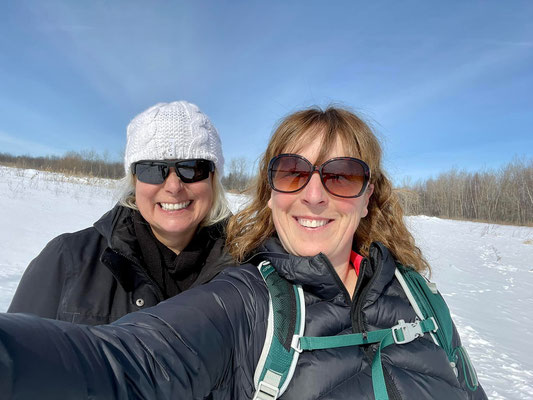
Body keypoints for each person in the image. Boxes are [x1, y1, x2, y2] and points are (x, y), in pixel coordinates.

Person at [0, 106, 487, 399]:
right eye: (294, 172)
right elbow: (126, 362)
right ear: (271, 191)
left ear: (369, 196)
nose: (314, 195)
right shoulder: (250, 298)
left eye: (341, 176)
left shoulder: (420, 298)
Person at [7, 101, 233, 325]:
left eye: (192, 168)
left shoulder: (249, 269)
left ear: (213, 179)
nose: (173, 187)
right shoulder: (67, 260)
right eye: (152, 169)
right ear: (134, 180)